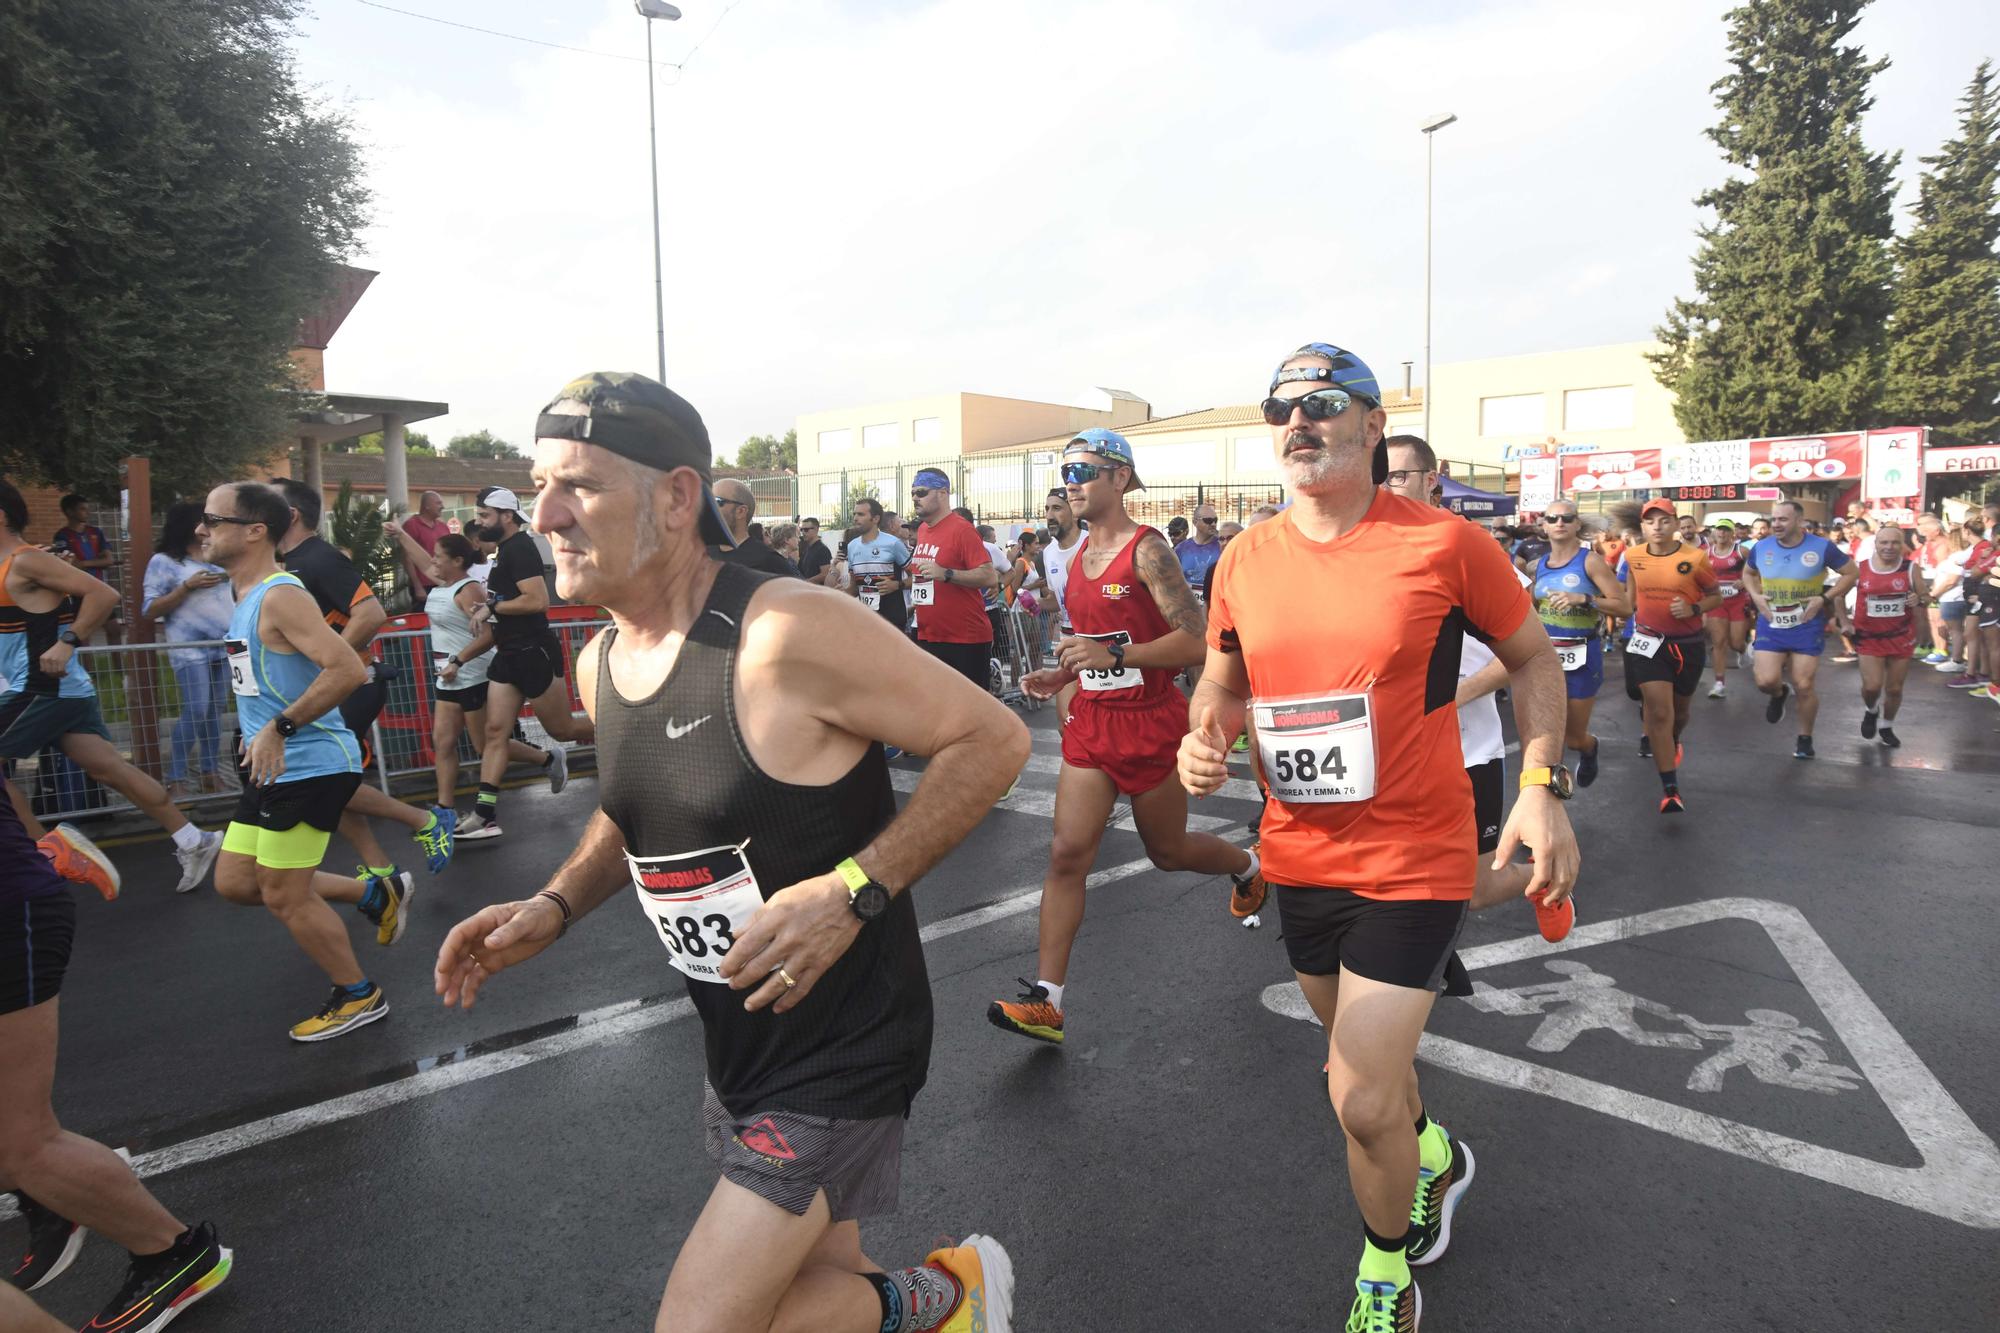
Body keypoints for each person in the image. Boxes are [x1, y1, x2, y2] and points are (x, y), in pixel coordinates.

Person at [433, 371, 1025, 1333]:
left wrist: (852, 890)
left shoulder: (783, 630)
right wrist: (553, 904)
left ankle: (948, 1299)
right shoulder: (602, 660)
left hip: (844, 1046)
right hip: (737, 1038)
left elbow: (991, 740)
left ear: (675, 496)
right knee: (805, 1297)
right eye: (541, 486)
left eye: (578, 485)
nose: (545, 514)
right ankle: (938, 1309)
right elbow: (634, 808)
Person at [1179, 342, 1579, 1332]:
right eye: (1278, 407)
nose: (1295, 421)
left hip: (1415, 853)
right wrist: (1205, 732)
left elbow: (1532, 660)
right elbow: (1223, 680)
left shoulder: (1442, 545)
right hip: (1298, 856)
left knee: (1356, 1098)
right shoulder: (1243, 559)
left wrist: (1537, 786)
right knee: (1376, 1076)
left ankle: (1383, 1265)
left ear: (1369, 424)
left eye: (1320, 402)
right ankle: (1431, 1151)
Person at [992, 429, 1265, 1046]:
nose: (1073, 482)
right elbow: (1087, 641)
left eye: (1086, 470)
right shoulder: (1071, 555)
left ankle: (1250, 866)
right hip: (1092, 722)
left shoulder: (1148, 551)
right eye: (1067, 472)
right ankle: (1047, 1001)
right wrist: (1062, 670)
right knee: (1066, 853)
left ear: (1121, 479)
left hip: (1150, 721)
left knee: (1167, 852)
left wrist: (1113, 654)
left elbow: (1197, 640)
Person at [0, 787, 232, 1327]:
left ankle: (172, 1253)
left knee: (23, 1141)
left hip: (10, 915)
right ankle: (46, 1195)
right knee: (19, 1145)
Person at [201, 483, 413, 1041]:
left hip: (310, 761)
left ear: (255, 531)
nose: (201, 529)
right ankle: (373, 892)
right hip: (271, 765)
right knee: (235, 882)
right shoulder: (244, 594)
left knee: (282, 892)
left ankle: (358, 995)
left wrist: (280, 726)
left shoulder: (280, 595)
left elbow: (346, 667)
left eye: (212, 519)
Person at [1381, 441, 1572, 942]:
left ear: (1432, 481)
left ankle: (1547, 877)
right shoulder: (1366, 555)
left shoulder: (1468, 549)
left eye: (1399, 476)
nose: (1387, 486)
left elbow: (1525, 658)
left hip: (1468, 749)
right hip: (1392, 756)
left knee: (1477, 888)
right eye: (1382, 476)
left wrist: (1450, 698)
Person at [0, 479, 223, 895]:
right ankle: (195, 840)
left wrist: (68, 643)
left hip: (44, 687)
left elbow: (103, 593)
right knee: (111, 769)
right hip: (60, 690)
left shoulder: (24, 560)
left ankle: (44, 857)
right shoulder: (18, 563)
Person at [271, 479, 458, 883]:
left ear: (290, 515)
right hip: (329, 686)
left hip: (351, 685)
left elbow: (371, 615)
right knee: (329, 782)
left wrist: (328, 664)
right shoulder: (286, 562)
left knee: (323, 780)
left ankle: (426, 821)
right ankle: (380, 868)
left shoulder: (318, 559)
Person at [455, 485, 593, 842]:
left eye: (486, 516)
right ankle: (485, 815)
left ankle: (630, 733)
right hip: (509, 654)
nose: (480, 522)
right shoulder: (504, 551)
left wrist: (493, 607)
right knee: (494, 734)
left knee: (563, 729)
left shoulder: (521, 548)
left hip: (533, 652)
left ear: (505, 516)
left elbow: (537, 601)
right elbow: (511, 600)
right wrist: (489, 606)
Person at [414, 533, 553, 815]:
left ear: (457, 561)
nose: (432, 561)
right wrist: (400, 533)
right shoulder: (443, 583)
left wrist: (458, 661)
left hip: (471, 674)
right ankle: (445, 809)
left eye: (438, 556)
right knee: (443, 743)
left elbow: (489, 635)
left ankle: (547, 758)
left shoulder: (469, 590)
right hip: (447, 677)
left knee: (485, 745)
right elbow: (420, 559)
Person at [1618, 499, 1722, 813]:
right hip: (1650, 643)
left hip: (1687, 644)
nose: (1657, 527)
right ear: (1643, 527)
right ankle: (1670, 789)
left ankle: (1673, 738)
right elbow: (1629, 599)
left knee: (1679, 714)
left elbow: (1715, 596)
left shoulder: (1695, 558)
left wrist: (1694, 608)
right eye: (1651, 522)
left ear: (1676, 525)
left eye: (1664, 521)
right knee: (1659, 713)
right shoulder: (1632, 556)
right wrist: (1612, 610)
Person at [1742, 499, 1856, 760]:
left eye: (1783, 519)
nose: (1776, 524)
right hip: (1772, 620)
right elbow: (1748, 574)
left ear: (1799, 522)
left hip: (1806, 621)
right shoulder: (1762, 547)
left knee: (1804, 684)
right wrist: (1756, 596)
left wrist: (1824, 599)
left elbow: (1851, 573)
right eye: (1774, 519)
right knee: (1765, 681)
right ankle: (1779, 694)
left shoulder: (1822, 547)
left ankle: (1805, 738)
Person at [141, 500, 236, 802]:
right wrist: (186, 588)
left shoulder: (217, 556)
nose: (208, 528)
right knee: (196, 709)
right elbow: (149, 608)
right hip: (189, 648)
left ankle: (210, 773)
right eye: (204, 521)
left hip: (224, 645)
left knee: (214, 711)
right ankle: (176, 777)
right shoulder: (164, 562)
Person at [1525, 497, 1622, 789]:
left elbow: (1624, 605)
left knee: (1573, 737)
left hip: (1581, 654)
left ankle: (1589, 747)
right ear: (1543, 525)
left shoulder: (1590, 561)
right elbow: (1530, 609)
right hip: (1545, 658)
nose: (1559, 523)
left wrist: (1585, 598)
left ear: (1578, 524)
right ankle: (1545, 796)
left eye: (1566, 518)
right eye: (1552, 518)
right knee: (1543, 734)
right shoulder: (1538, 565)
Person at [906, 471, 999, 690]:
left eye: (921, 492)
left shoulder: (961, 529)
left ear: (943, 493)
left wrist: (947, 574)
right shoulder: (922, 529)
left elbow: (989, 576)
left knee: (971, 713)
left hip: (964, 639)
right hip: (929, 634)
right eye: (912, 494)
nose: (915, 498)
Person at [1851, 524, 1920, 747]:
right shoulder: (1860, 567)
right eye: (1884, 542)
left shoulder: (1910, 568)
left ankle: (1887, 726)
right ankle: (1871, 710)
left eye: (1895, 542)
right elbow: (1837, 594)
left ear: (1902, 545)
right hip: (1869, 636)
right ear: (1876, 544)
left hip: (1900, 635)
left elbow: (1925, 595)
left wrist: (1918, 598)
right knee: (1872, 686)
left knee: (1894, 688)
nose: (1889, 547)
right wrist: (1842, 620)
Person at [845, 498, 912, 633]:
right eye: (854, 514)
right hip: (866, 619)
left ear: (875, 519)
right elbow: (854, 587)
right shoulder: (852, 546)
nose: (855, 518)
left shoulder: (893, 543)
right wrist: (836, 595)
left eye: (861, 514)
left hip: (892, 619)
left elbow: (918, 577)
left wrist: (897, 585)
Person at [1702, 519, 1751, 698]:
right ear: (1714, 533)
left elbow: (1758, 571)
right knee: (1719, 642)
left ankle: (1743, 650)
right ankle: (1719, 684)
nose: (1721, 534)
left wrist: (1744, 581)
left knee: (1735, 642)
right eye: (1719, 530)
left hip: (1738, 601)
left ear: (1732, 534)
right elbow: (1700, 578)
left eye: (1725, 531)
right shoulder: (1706, 554)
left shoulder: (1742, 551)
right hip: (1717, 602)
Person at [714, 479, 797, 577]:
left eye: (716, 501)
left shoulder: (768, 562)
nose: (708, 507)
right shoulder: (704, 554)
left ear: (741, 511)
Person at [399, 490, 452, 599]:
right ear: (427, 506)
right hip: (424, 585)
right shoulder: (411, 525)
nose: (442, 507)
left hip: (443, 582)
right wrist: (417, 586)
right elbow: (407, 557)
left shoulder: (443, 527)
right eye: (438, 503)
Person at [1174, 502, 1224, 598]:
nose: (1213, 524)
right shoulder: (1181, 549)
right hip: (1188, 604)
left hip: (1214, 603)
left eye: (1215, 520)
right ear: (1195, 522)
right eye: (1208, 520)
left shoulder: (1222, 546)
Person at [797, 516, 834, 587]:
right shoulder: (807, 548)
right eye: (801, 530)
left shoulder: (822, 549)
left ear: (816, 529)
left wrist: (806, 582)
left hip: (817, 591)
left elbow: (825, 574)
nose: (803, 532)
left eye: (806, 530)